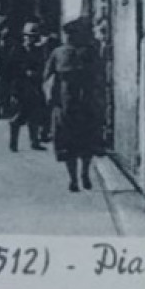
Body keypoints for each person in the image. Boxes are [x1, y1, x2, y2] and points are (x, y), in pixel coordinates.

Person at [44, 17, 106, 193]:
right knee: (66, 144)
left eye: (73, 34)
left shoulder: (89, 52)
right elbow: (47, 77)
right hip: (64, 104)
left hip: (85, 103)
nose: (69, 38)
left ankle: (85, 173)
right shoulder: (57, 53)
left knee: (86, 142)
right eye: (67, 35)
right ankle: (73, 179)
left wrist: (98, 100)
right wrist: (51, 98)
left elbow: (99, 76)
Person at [6, 22, 49, 153]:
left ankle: (34, 141)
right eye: (28, 36)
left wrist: (38, 74)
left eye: (33, 36)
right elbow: (11, 70)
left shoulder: (38, 51)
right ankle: (13, 143)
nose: (30, 39)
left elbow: (42, 66)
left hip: (35, 87)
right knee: (19, 116)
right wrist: (24, 73)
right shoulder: (17, 50)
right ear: (24, 37)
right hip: (21, 88)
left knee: (35, 116)